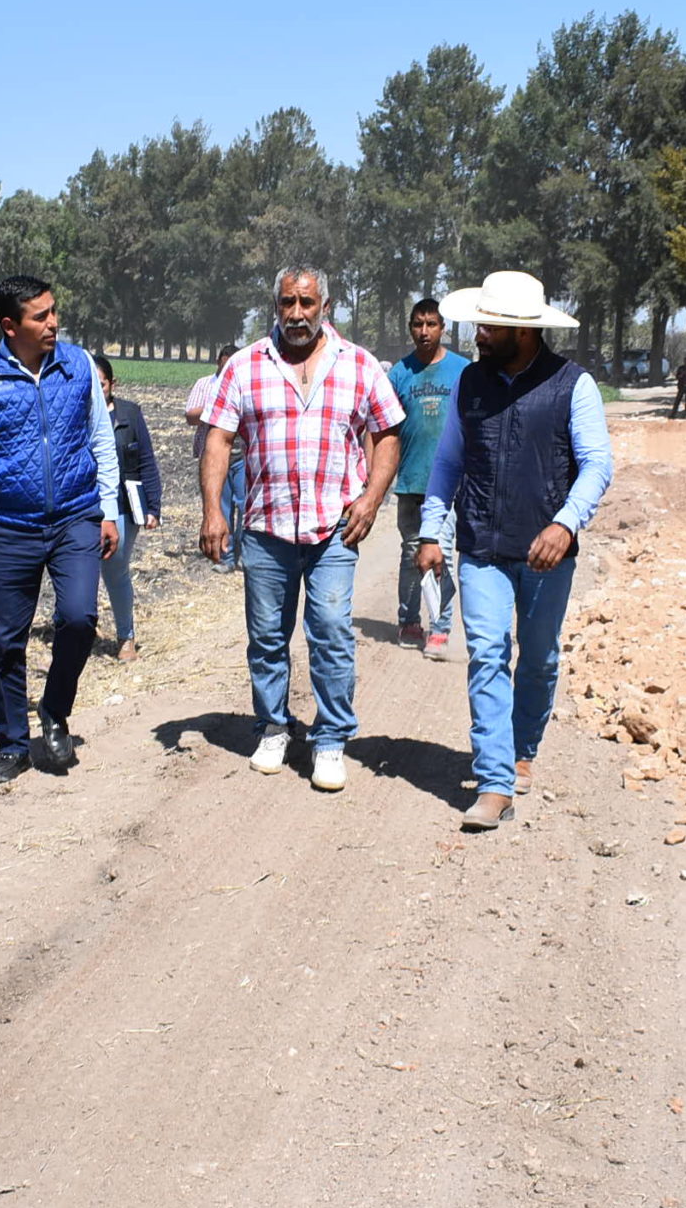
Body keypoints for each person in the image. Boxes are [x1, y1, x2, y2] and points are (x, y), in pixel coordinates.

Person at [416, 271, 614, 831]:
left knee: (541, 656)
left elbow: (597, 464)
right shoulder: (469, 383)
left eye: (489, 324)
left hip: (547, 552)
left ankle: (523, 746)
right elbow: (448, 463)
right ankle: (496, 780)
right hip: (481, 544)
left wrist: (566, 525)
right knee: (485, 652)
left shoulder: (574, 385)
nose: (478, 333)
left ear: (523, 332)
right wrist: (434, 530)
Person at [199, 268, 403, 792]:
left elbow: (387, 433)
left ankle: (331, 738)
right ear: (275, 303)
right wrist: (213, 512)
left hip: (333, 528)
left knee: (331, 631)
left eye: (306, 302)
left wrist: (372, 499)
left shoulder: (357, 364)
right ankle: (273, 725)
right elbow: (219, 439)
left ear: (325, 304)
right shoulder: (246, 366)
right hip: (266, 527)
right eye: (287, 302)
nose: (296, 313)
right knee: (267, 637)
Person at [0, 276, 121, 784]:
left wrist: (106, 508)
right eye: (40, 317)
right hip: (8, 528)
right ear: (9, 325)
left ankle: (55, 710)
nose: (53, 323)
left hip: (75, 517)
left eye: (53, 312)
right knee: (4, 640)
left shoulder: (78, 364)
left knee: (80, 617)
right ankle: (14, 745)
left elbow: (101, 441)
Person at [385, 297, 466, 656]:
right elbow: (384, 429)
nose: (424, 331)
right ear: (410, 328)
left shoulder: (463, 371)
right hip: (411, 481)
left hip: (449, 483)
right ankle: (409, 620)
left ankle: (441, 627)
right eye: (418, 324)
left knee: (442, 552)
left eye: (431, 324)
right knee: (410, 553)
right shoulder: (399, 374)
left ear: (442, 328)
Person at [93, 351, 164, 662]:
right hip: (83, 507)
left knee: (115, 571)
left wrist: (154, 507)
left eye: (103, 386)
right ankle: (78, 636)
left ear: (113, 384)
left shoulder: (130, 414)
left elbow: (147, 460)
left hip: (123, 506)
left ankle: (126, 637)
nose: (98, 393)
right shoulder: (74, 417)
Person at [185, 344, 247, 572]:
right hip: (213, 455)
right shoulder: (204, 384)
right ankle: (226, 557)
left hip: (243, 455)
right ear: (218, 361)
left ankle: (244, 553)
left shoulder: (245, 382)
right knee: (220, 506)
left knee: (246, 506)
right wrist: (218, 409)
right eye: (225, 360)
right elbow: (190, 415)